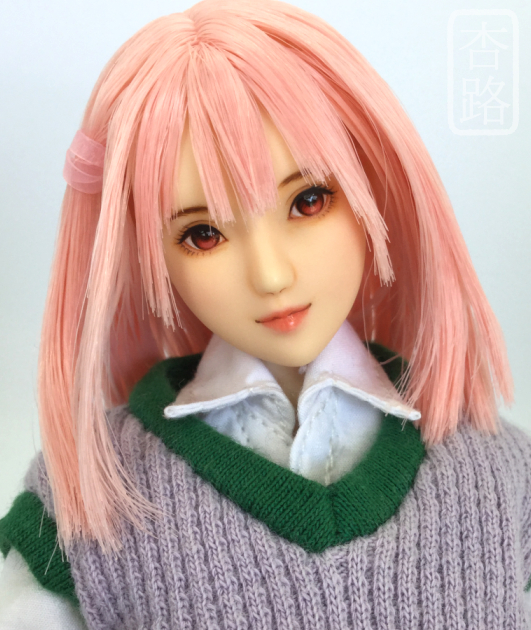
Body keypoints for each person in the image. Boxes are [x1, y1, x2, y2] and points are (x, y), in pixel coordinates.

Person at [1, 1, 529, 628]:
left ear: (371, 186)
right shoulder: (89, 504)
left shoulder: (499, 476)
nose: (271, 275)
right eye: (202, 234)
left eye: (309, 201)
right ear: (150, 256)